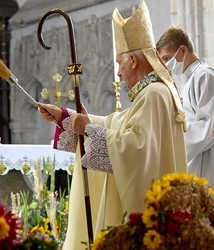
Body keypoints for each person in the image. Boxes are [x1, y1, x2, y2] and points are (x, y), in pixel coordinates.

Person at [38, 2, 187, 248]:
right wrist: (66, 116)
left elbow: (137, 149)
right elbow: (116, 125)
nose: (118, 72)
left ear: (132, 60)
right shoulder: (152, 93)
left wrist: (88, 128)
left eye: (119, 63)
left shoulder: (154, 94)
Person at [156, 26, 214, 186]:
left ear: (182, 50)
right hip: (197, 159)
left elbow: (208, 127)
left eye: (167, 58)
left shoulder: (204, 75)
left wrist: (172, 143)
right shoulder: (192, 79)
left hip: (207, 161)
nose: (166, 65)